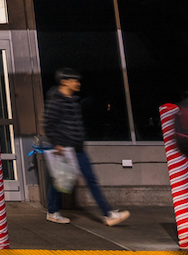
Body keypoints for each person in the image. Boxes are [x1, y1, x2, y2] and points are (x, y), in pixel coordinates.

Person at [43, 68, 129, 226]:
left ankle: (108, 213)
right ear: (64, 81)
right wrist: (58, 143)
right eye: (74, 80)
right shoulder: (56, 102)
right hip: (64, 149)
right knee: (60, 181)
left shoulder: (74, 101)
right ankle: (53, 211)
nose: (77, 83)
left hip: (78, 148)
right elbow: (49, 125)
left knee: (90, 180)